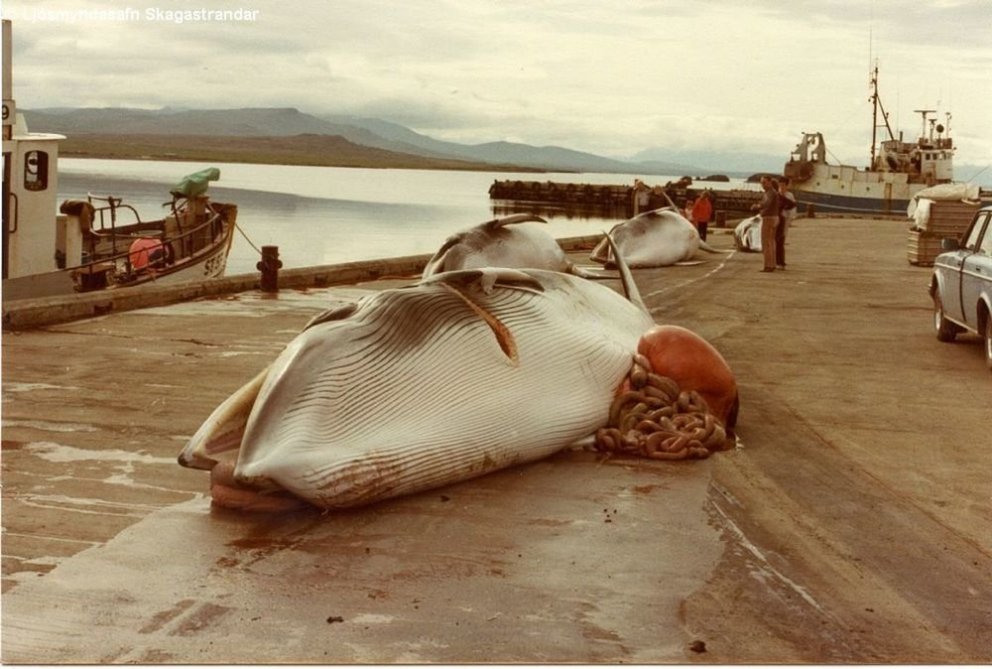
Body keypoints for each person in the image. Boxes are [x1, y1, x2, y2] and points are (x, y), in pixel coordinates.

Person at [752, 175, 780, 272]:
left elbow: (767, 204)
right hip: (774, 217)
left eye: (764, 182)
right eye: (761, 183)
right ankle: (772, 264)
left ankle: (768, 265)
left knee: (766, 242)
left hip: (769, 218)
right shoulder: (772, 192)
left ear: (769, 182)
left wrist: (757, 206)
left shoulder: (770, 193)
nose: (762, 185)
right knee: (771, 242)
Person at [777, 177, 797, 268]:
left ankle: (781, 261)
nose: (781, 187)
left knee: (781, 239)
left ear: (786, 185)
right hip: (776, 219)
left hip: (785, 219)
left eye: (783, 185)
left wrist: (790, 219)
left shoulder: (789, 195)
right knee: (776, 240)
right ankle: (777, 260)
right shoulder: (777, 194)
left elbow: (793, 208)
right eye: (780, 185)